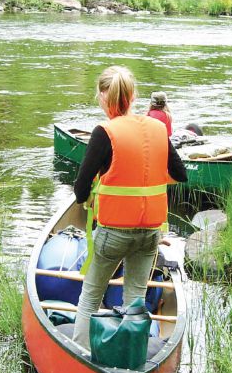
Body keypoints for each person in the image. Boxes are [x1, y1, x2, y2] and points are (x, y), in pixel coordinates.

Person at [72, 66, 187, 350]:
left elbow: (79, 190)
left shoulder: (104, 132)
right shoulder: (159, 128)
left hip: (113, 233)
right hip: (150, 233)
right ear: (134, 96)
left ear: (102, 96)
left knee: (91, 295)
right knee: (134, 299)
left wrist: (93, 195)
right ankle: (130, 356)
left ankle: (84, 355)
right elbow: (181, 174)